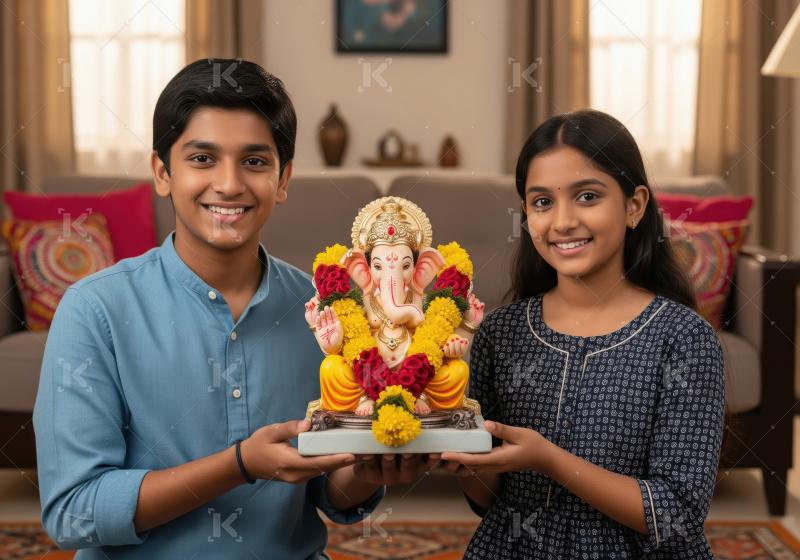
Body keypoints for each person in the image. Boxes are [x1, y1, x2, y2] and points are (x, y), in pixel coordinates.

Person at [33, 59, 423, 559]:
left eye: (255, 162)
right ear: (162, 172)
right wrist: (238, 465)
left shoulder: (328, 311)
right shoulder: (94, 311)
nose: (230, 184)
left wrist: (370, 470)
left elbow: (330, 494)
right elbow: (75, 512)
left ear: (283, 180)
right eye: (202, 159)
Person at [435, 109, 725, 558]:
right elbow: (489, 501)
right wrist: (461, 458)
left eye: (587, 196)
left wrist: (550, 460)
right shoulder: (500, 332)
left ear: (635, 205)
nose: (563, 221)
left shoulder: (684, 338)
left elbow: (677, 515)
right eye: (542, 202)